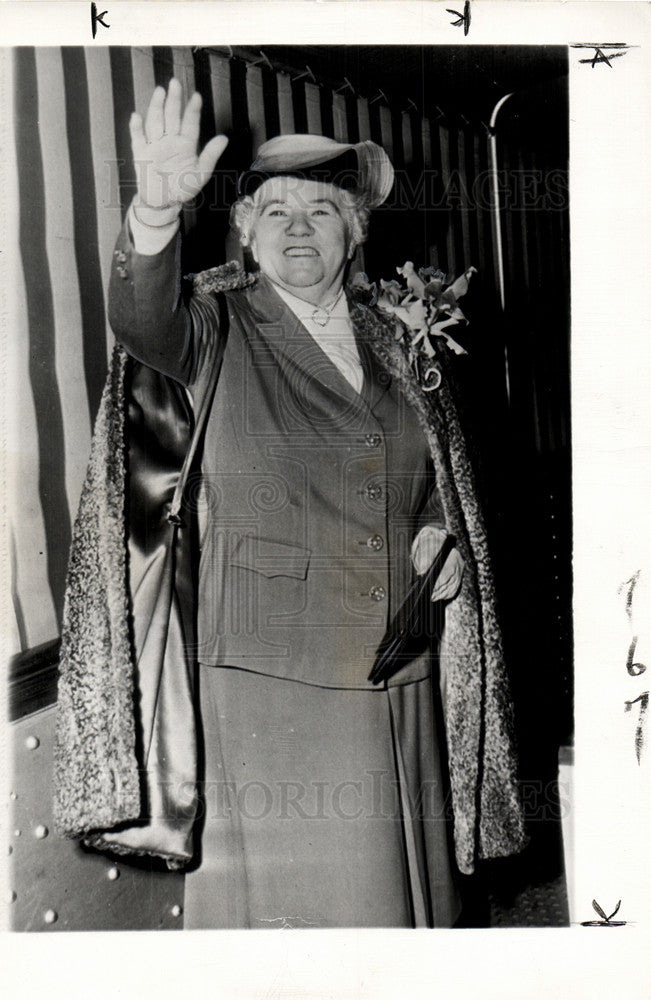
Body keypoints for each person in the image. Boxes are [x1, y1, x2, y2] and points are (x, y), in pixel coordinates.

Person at [54, 79, 526, 929]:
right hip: (278, 667)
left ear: (356, 231)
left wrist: (435, 539)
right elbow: (141, 320)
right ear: (245, 233)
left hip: (401, 658)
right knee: (324, 914)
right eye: (276, 212)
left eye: (321, 209)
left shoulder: (396, 334)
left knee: (416, 907)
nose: (299, 228)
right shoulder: (216, 323)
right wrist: (154, 215)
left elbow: (433, 482)